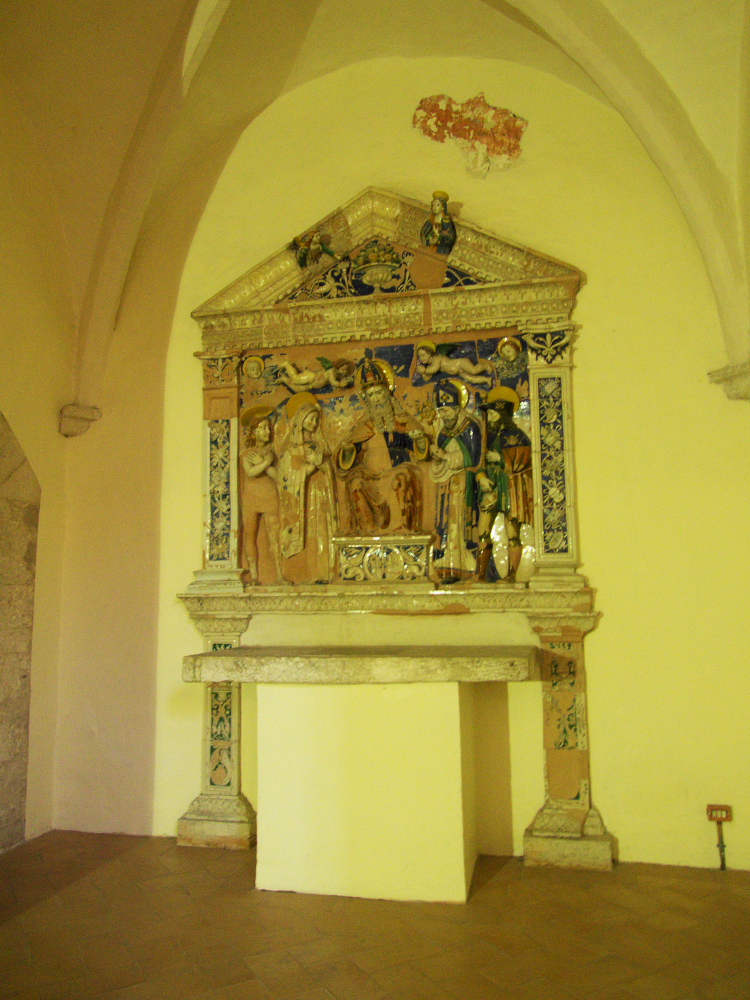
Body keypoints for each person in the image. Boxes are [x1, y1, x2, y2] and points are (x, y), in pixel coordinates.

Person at [336, 358, 428, 534]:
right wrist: (348, 451)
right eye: (371, 396)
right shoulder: (364, 425)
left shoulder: (401, 419)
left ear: (387, 393)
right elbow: (350, 451)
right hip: (370, 474)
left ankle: (400, 529)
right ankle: (368, 531)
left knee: (400, 478)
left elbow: (419, 447)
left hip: (396, 468)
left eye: (379, 393)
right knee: (356, 482)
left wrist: (420, 440)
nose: (376, 399)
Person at [276, 393, 336, 584]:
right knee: (309, 532)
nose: (313, 423)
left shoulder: (320, 443)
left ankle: (325, 572)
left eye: (316, 420)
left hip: (321, 492)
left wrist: (323, 466)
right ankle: (307, 573)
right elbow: (285, 475)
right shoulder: (291, 447)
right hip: (303, 497)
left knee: (322, 530)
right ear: (300, 420)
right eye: (310, 419)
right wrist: (309, 468)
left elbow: (328, 464)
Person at [476, 386, 533, 581]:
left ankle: (511, 574)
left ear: (503, 414)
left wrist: (500, 459)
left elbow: (524, 459)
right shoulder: (489, 436)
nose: (490, 418)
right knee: (482, 530)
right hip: (491, 487)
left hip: (509, 488)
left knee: (512, 532)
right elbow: (479, 462)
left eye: (493, 414)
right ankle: (481, 573)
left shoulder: (517, 435)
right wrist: (482, 477)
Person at [429, 379, 482, 583]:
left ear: (457, 407)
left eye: (446, 411)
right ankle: (446, 562)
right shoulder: (443, 430)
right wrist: (437, 457)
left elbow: (473, 458)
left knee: (461, 523)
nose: (443, 415)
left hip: (464, 482)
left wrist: (445, 456)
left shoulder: (470, 427)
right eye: (440, 411)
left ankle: (464, 564)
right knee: (445, 523)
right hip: (446, 484)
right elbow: (441, 455)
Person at [239, 405, 282, 585]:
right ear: (254, 432)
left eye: (268, 428)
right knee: (251, 536)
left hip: (270, 497)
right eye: (263, 428)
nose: (267, 432)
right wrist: (265, 463)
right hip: (251, 499)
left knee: (275, 536)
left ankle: (279, 574)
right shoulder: (247, 453)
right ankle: (254, 575)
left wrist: (267, 462)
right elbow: (250, 472)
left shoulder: (271, 453)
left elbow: (278, 476)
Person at [414, 340, 494, 386]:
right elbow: (427, 378)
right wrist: (422, 373)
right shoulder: (430, 366)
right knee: (472, 379)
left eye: (423, 355)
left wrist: (424, 370)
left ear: (429, 353)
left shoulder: (437, 358)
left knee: (474, 371)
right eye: (420, 356)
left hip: (460, 364)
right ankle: (487, 379)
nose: (421, 358)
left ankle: (485, 366)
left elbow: (434, 369)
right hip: (458, 371)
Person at [421, 190, 457, 255]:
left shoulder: (446, 221)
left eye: (438, 205)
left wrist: (438, 234)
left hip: (440, 250)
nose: (434, 207)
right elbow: (424, 234)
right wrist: (429, 240)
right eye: (433, 205)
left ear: (442, 207)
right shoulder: (430, 221)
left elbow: (450, 238)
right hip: (429, 248)